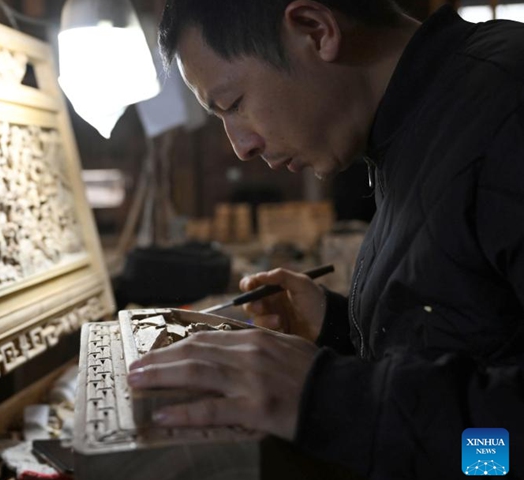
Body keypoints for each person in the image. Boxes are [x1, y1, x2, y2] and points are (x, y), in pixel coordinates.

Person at [126, 0, 524, 478]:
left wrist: (328, 401)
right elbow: (475, 341)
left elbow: (498, 455)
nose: (241, 146)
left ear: (315, 30)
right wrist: (337, 327)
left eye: (234, 104)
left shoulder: (506, 105)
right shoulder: (412, 127)